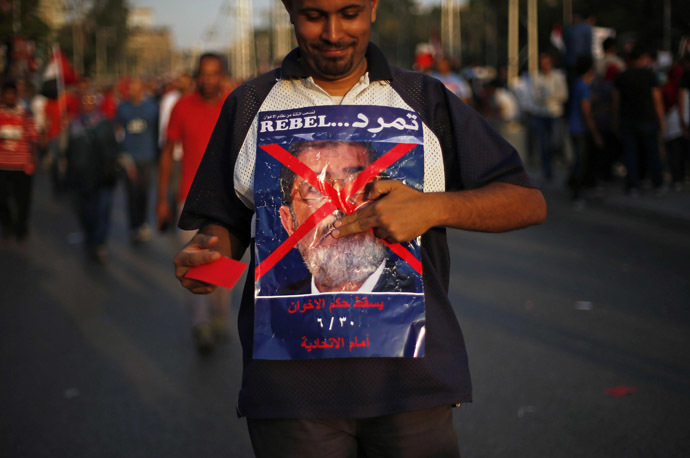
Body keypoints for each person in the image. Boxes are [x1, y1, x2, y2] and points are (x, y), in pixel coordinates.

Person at [173, 0, 546, 456]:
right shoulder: (250, 105)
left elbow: (527, 202)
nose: (333, 32)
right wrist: (207, 260)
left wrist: (433, 209)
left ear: (372, 7)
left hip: (411, 388)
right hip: (291, 395)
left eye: (349, 12)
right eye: (314, 15)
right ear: (289, 10)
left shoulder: (422, 99)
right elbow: (224, 229)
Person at [157, 54, 231, 354]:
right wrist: (161, 198)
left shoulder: (233, 105)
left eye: (214, 74)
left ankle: (218, 316)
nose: (208, 79)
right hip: (189, 200)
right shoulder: (182, 106)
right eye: (203, 74)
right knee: (193, 265)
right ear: (196, 76)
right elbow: (167, 153)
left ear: (223, 76)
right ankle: (200, 325)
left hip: (227, 202)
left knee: (222, 267)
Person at [277, 140, 416, 294]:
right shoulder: (273, 307)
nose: (341, 205)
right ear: (290, 224)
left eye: (358, 183)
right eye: (316, 188)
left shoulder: (421, 297)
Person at [65, 91, 119, 263]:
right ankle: (90, 239)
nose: (88, 104)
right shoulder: (74, 125)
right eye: (85, 101)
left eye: (91, 100)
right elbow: (68, 151)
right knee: (85, 212)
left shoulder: (104, 124)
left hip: (102, 178)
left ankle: (99, 243)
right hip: (81, 178)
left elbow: (113, 150)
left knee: (102, 212)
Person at [614, 45, 666, 195]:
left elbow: (616, 102)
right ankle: (658, 183)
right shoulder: (650, 75)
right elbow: (657, 100)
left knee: (631, 154)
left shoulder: (622, 76)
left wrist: (615, 120)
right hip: (647, 119)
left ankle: (633, 186)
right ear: (643, 57)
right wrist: (661, 120)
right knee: (653, 153)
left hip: (627, 120)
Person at [116, 77, 159, 244]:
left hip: (147, 157)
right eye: (130, 87)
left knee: (144, 192)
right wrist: (121, 155)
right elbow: (118, 131)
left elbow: (156, 131)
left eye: (135, 86)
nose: (132, 90)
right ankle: (133, 226)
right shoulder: (123, 108)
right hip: (130, 158)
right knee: (131, 193)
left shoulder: (151, 108)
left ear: (142, 89)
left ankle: (143, 223)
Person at [0, 80, 38, 241]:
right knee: (2, 200)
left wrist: (32, 160)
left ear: (16, 96)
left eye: (12, 94)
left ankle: (21, 228)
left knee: (23, 200)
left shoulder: (25, 113)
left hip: (22, 165)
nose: (9, 97)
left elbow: (33, 137)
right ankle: (7, 224)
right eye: (6, 94)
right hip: (2, 165)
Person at [567, 56, 602, 207]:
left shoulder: (577, 84)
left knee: (579, 160)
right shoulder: (584, 87)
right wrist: (595, 133)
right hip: (580, 129)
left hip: (574, 127)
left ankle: (574, 185)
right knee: (581, 162)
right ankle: (577, 192)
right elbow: (586, 111)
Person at [532, 53, 568, 181]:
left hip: (554, 114)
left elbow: (563, 94)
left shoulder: (558, 77)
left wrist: (549, 96)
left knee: (554, 141)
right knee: (543, 143)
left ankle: (553, 163)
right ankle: (547, 169)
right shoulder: (537, 78)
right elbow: (535, 96)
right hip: (541, 114)